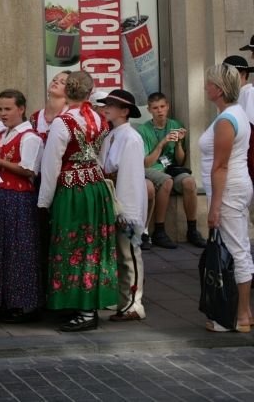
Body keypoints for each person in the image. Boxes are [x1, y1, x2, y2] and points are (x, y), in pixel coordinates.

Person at [37, 71, 117, 332]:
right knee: (93, 247)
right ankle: (87, 304)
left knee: (72, 246)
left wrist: (44, 202)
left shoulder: (63, 122)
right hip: (95, 189)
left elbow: (51, 166)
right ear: (89, 92)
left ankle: (82, 310)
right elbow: (101, 159)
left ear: (68, 92)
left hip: (72, 191)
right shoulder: (99, 119)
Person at [199, 64, 253, 332]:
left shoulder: (226, 120)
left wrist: (215, 207)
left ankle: (239, 315)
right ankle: (242, 313)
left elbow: (220, 166)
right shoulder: (234, 113)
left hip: (229, 190)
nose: (205, 87)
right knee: (238, 247)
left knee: (236, 249)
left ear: (218, 90)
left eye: (209, 83)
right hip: (235, 187)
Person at [0, 89, 44, 323]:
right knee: (0, 249)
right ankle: (1, 300)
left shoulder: (30, 137)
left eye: (8, 109)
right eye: (0, 109)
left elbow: (29, 170)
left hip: (19, 198)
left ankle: (24, 304)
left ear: (21, 109)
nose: (3, 113)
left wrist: (1, 162)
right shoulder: (0, 134)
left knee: (19, 250)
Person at [98, 90, 148, 322]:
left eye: (112, 104)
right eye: (106, 103)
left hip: (125, 204)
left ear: (125, 111)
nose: (106, 107)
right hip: (113, 200)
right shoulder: (111, 136)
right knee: (120, 256)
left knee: (129, 255)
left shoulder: (131, 138)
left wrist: (126, 211)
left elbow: (130, 177)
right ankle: (123, 301)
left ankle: (134, 303)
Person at [137, 92, 205, 249]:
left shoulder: (175, 124)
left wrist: (179, 143)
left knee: (189, 182)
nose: (159, 111)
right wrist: (162, 143)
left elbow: (180, 160)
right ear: (149, 110)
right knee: (166, 182)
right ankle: (159, 231)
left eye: (162, 106)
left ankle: (192, 230)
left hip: (172, 168)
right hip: (152, 168)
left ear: (168, 106)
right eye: (155, 108)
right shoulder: (143, 130)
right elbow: (146, 163)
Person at [30, 71, 71, 142]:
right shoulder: (35, 117)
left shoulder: (71, 117)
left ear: (70, 91)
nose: (56, 82)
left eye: (62, 82)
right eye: (54, 80)